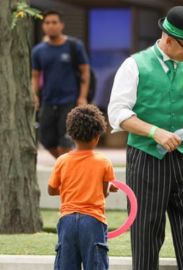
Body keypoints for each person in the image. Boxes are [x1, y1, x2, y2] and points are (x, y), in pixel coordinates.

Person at [107, 6, 183, 270]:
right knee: (147, 230)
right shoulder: (134, 65)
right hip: (146, 159)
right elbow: (117, 114)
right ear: (168, 39)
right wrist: (154, 131)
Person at [48, 104, 117, 270]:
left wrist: (67, 189)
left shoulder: (62, 161)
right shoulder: (104, 162)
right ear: (97, 136)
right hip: (93, 221)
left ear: (71, 135)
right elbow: (102, 193)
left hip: (67, 221)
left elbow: (51, 190)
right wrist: (110, 189)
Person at [32, 10, 91, 158]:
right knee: (45, 138)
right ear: (43, 26)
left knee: (65, 141)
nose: (51, 26)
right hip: (48, 100)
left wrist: (82, 97)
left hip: (69, 101)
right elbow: (35, 75)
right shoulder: (38, 51)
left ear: (61, 25)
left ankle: (65, 171)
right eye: (47, 23)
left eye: (54, 22)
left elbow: (85, 71)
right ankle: (66, 165)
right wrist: (34, 95)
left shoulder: (74, 46)